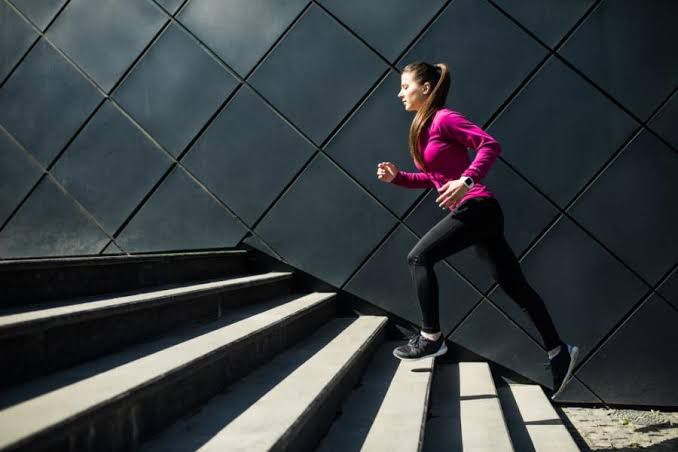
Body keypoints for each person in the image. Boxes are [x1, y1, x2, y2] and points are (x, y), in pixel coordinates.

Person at [376, 61, 579, 399]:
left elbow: (490, 145)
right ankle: (559, 352)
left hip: (479, 207)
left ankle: (431, 338)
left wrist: (467, 180)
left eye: (405, 86)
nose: (400, 93)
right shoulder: (424, 127)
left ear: (426, 88)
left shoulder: (445, 118)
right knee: (515, 287)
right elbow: (434, 179)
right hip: (477, 213)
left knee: (419, 257)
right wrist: (398, 177)